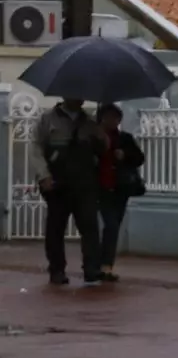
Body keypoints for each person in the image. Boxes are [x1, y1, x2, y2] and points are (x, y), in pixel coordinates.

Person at [29, 98, 105, 285]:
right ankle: (56, 269)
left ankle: (91, 269)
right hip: (57, 183)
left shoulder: (90, 122)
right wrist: (43, 175)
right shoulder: (48, 119)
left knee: (90, 227)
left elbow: (101, 151)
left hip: (84, 183)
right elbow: (36, 148)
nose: (78, 97)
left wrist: (102, 137)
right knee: (55, 228)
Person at [96, 104, 145, 282]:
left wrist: (124, 155)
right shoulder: (95, 138)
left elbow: (140, 158)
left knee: (113, 225)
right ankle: (100, 264)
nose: (113, 121)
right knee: (110, 225)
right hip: (100, 188)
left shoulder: (124, 138)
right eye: (109, 118)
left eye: (116, 118)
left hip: (120, 188)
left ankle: (106, 265)